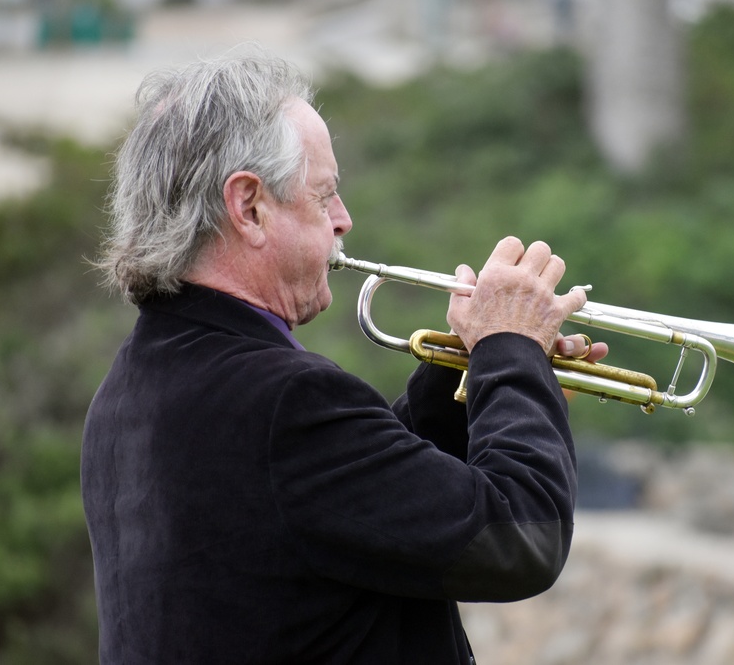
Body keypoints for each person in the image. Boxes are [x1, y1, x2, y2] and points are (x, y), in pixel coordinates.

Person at [82, 51, 607, 664]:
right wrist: (511, 352)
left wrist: (483, 376)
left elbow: (353, 503)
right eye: (324, 195)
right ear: (249, 205)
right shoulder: (283, 401)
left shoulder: (126, 394)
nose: (343, 220)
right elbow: (521, 539)